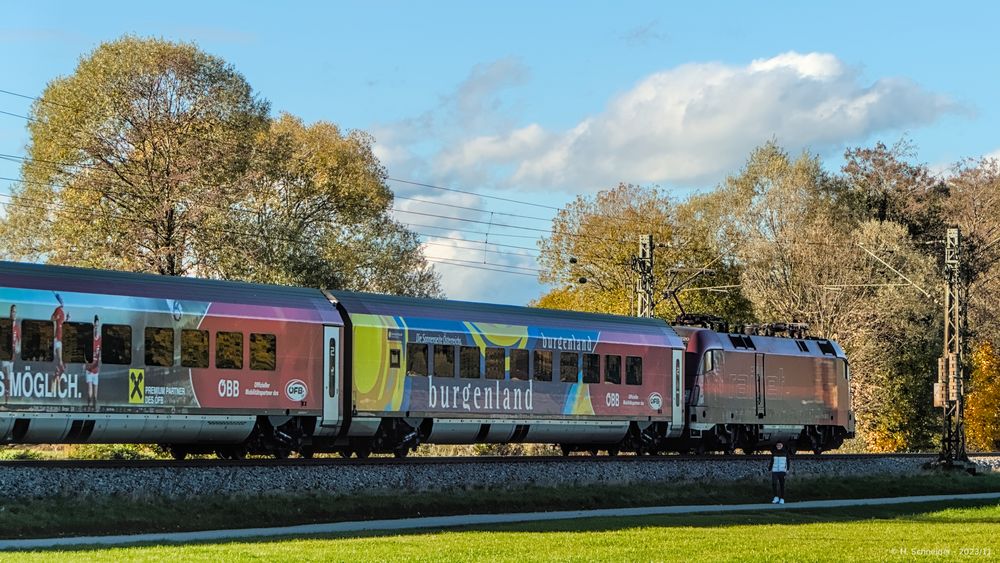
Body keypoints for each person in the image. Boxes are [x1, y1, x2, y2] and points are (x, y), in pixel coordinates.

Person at [2, 305, 19, 404]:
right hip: (5, 355)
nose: (14, 313)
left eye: (15, 312)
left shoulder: (17, 328)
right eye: (13, 311)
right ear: (10, 312)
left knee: (9, 377)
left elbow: (19, 344)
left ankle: (7, 398)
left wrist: (17, 347)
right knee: (6, 375)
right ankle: (5, 396)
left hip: (12, 357)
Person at [84, 315, 101, 410]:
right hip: (89, 370)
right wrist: (87, 364)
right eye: (95, 326)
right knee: (89, 392)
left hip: (96, 370)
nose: (96, 329)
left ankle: (94, 407)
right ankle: (89, 407)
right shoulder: (89, 340)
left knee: (95, 394)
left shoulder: (100, 340)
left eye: (97, 326)